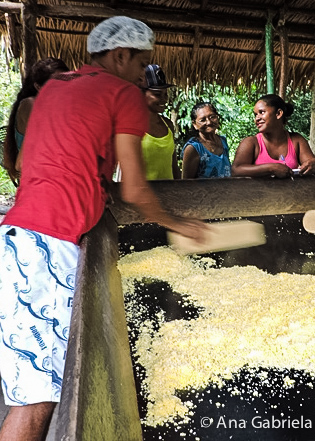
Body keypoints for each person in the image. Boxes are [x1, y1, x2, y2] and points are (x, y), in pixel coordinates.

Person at [0, 16, 207, 441]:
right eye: (140, 64)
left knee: (37, 388)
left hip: (19, 237)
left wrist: (95, 184)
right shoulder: (122, 94)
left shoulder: (55, 88)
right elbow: (134, 189)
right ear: (120, 55)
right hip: (51, 246)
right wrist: (179, 224)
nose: (141, 74)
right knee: (37, 400)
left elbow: (29, 165)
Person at [2, 57, 69, 186]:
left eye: (66, 81)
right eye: (56, 84)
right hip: (36, 182)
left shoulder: (57, 108)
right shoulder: (30, 105)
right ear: (38, 86)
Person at [231, 94, 315, 178]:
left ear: (278, 113)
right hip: (257, 196)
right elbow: (236, 170)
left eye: (262, 112)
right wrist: (271, 168)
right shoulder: (251, 143)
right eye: (255, 114)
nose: (257, 119)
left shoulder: (296, 140)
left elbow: (314, 167)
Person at [141, 64, 180, 180]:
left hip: (169, 196)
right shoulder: (130, 127)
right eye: (157, 94)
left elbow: (174, 166)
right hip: (142, 196)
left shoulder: (168, 125)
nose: (164, 99)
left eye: (165, 94)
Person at [181, 102, 231, 179]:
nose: (209, 122)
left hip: (226, 190)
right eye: (202, 120)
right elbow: (186, 182)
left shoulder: (223, 141)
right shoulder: (193, 148)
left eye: (212, 117)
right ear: (194, 124)